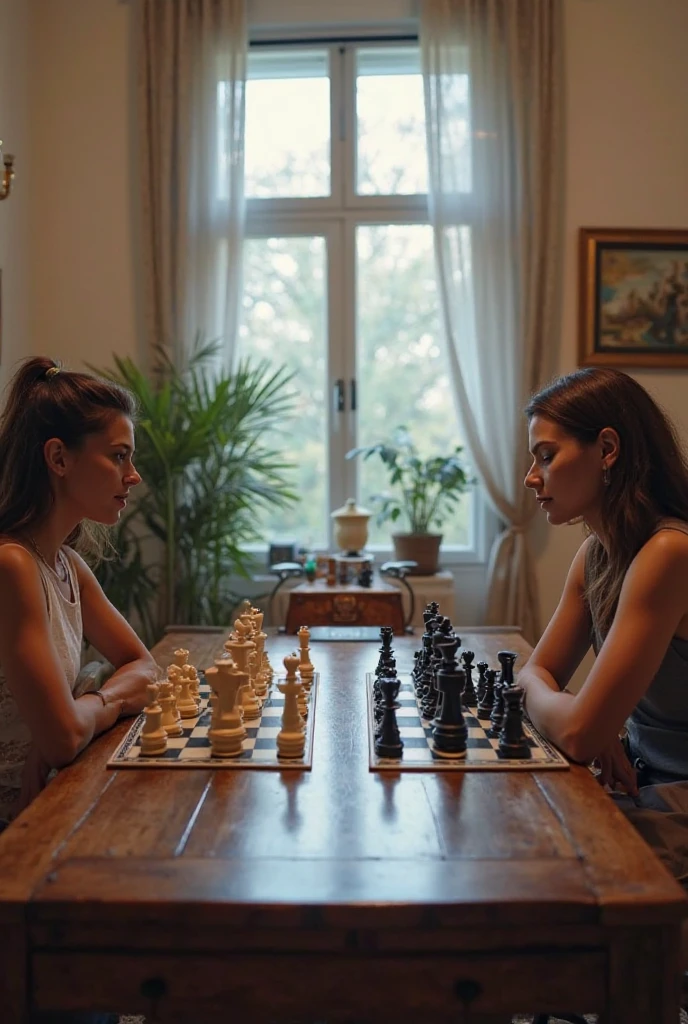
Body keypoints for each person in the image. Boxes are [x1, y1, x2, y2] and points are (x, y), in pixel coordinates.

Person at [519, 365, 688, 889]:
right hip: (644, 777)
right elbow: (532, 674)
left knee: (545, 874)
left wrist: (586, 721)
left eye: (546, 456)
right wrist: (590, 721)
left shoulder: (668, 552)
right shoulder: (597, 553)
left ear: (607, 449)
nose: (531, 477)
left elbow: (575, 730)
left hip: (677, 795)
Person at [0, 356, 157, 832]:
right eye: (118, 456)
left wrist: (86, 702)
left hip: (51, 796)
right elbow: (64, 737)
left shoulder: (68, 566)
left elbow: (147, 669)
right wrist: (100, 705)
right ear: (59, 458)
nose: (134, 476)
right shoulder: (11, 565)